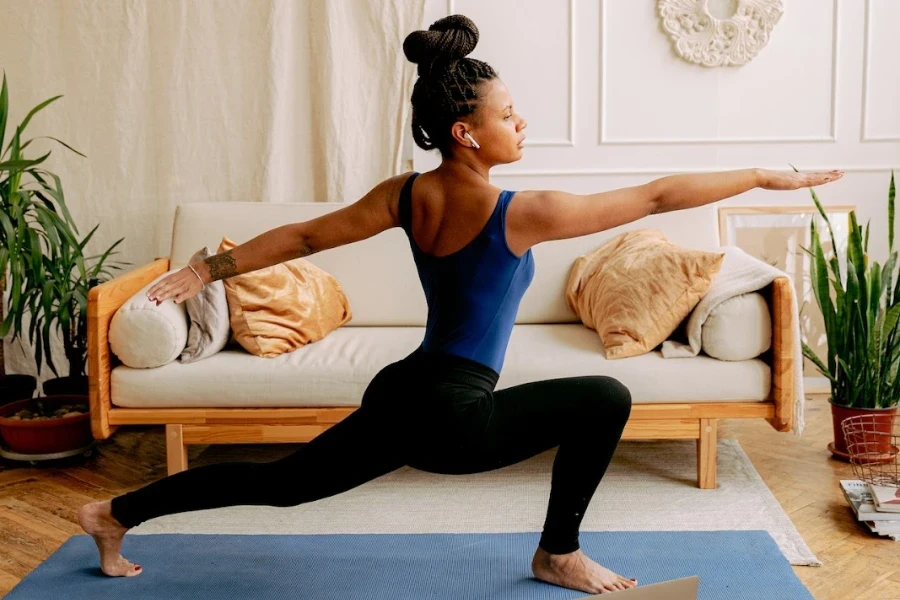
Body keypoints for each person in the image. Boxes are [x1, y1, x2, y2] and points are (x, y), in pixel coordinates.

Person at [76, 14, 843, 595]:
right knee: (604, 396)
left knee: (282, 484)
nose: (522, 123)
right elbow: (654, 195)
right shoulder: (520, 212)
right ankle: (558, 552)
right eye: (509, 115)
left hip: (407, 389)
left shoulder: (407, 195)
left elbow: (310, 235)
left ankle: (113, 515)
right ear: (465, 133)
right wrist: (762, 176)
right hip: (452, 415)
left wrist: (210, 269)